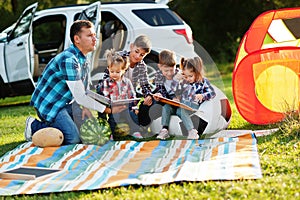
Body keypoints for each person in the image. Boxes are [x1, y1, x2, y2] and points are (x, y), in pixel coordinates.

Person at [24, 20, 116, 145]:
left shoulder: (83, 58)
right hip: (51, 105)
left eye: (94, 35)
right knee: (73, 139)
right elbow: (80, 96)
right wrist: (106, 110)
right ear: (77, 39)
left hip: (67, 103)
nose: (95, 39)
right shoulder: (69, 60)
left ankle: (59, 126)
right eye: (89, 36)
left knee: (83, 135)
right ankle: (33, 126)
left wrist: (87, 107)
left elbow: (84, 91)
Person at [98, 34, 153, 137]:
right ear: (132, 46)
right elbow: (106, 77)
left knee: (136, 107)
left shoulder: (141, 66)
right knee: (103, 95)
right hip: (112, 91)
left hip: (127, 91)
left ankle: (138, 128)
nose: (137, 56)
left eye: (142, 55)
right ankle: (105, 126)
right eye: (136, 51)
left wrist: (148, 95)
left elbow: (144, 84)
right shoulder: (119, 58)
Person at [157, 56, 216, 140]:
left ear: (197, 72)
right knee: (166, 106)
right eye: (186, 76)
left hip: (192, 106)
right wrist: (176, 79)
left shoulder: (203, 81)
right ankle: (164, 129)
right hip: (180, 106)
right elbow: (174, 90)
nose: (188, 79)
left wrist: (202, 96)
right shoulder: (184, 81)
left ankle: (192, 131)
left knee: (182, 108)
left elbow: (212, 93)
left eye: (190, 76)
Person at [96, 49, 141, 137]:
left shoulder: (127, 82)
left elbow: (132, 95)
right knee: (113, 118)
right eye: (112, 72)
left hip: (126, 106)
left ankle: (135, 131)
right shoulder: (106, 82)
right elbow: (105, 96)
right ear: (108, 69)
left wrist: (135, 107)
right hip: (114, 107)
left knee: (132, 115)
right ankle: (112, 133)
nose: (114, 74)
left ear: (124, 70)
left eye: (118, 72)